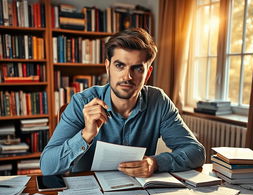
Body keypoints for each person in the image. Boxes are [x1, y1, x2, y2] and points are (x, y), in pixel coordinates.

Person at [40, 28, 205, 177]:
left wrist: (155, 163)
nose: (127, 77)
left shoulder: (158, 101)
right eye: (120, 65)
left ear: (148, 74)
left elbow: (196, 152)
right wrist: (86, 134)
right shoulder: (82, 102)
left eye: (138, 68)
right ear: (107, 67)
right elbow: (47, 166)